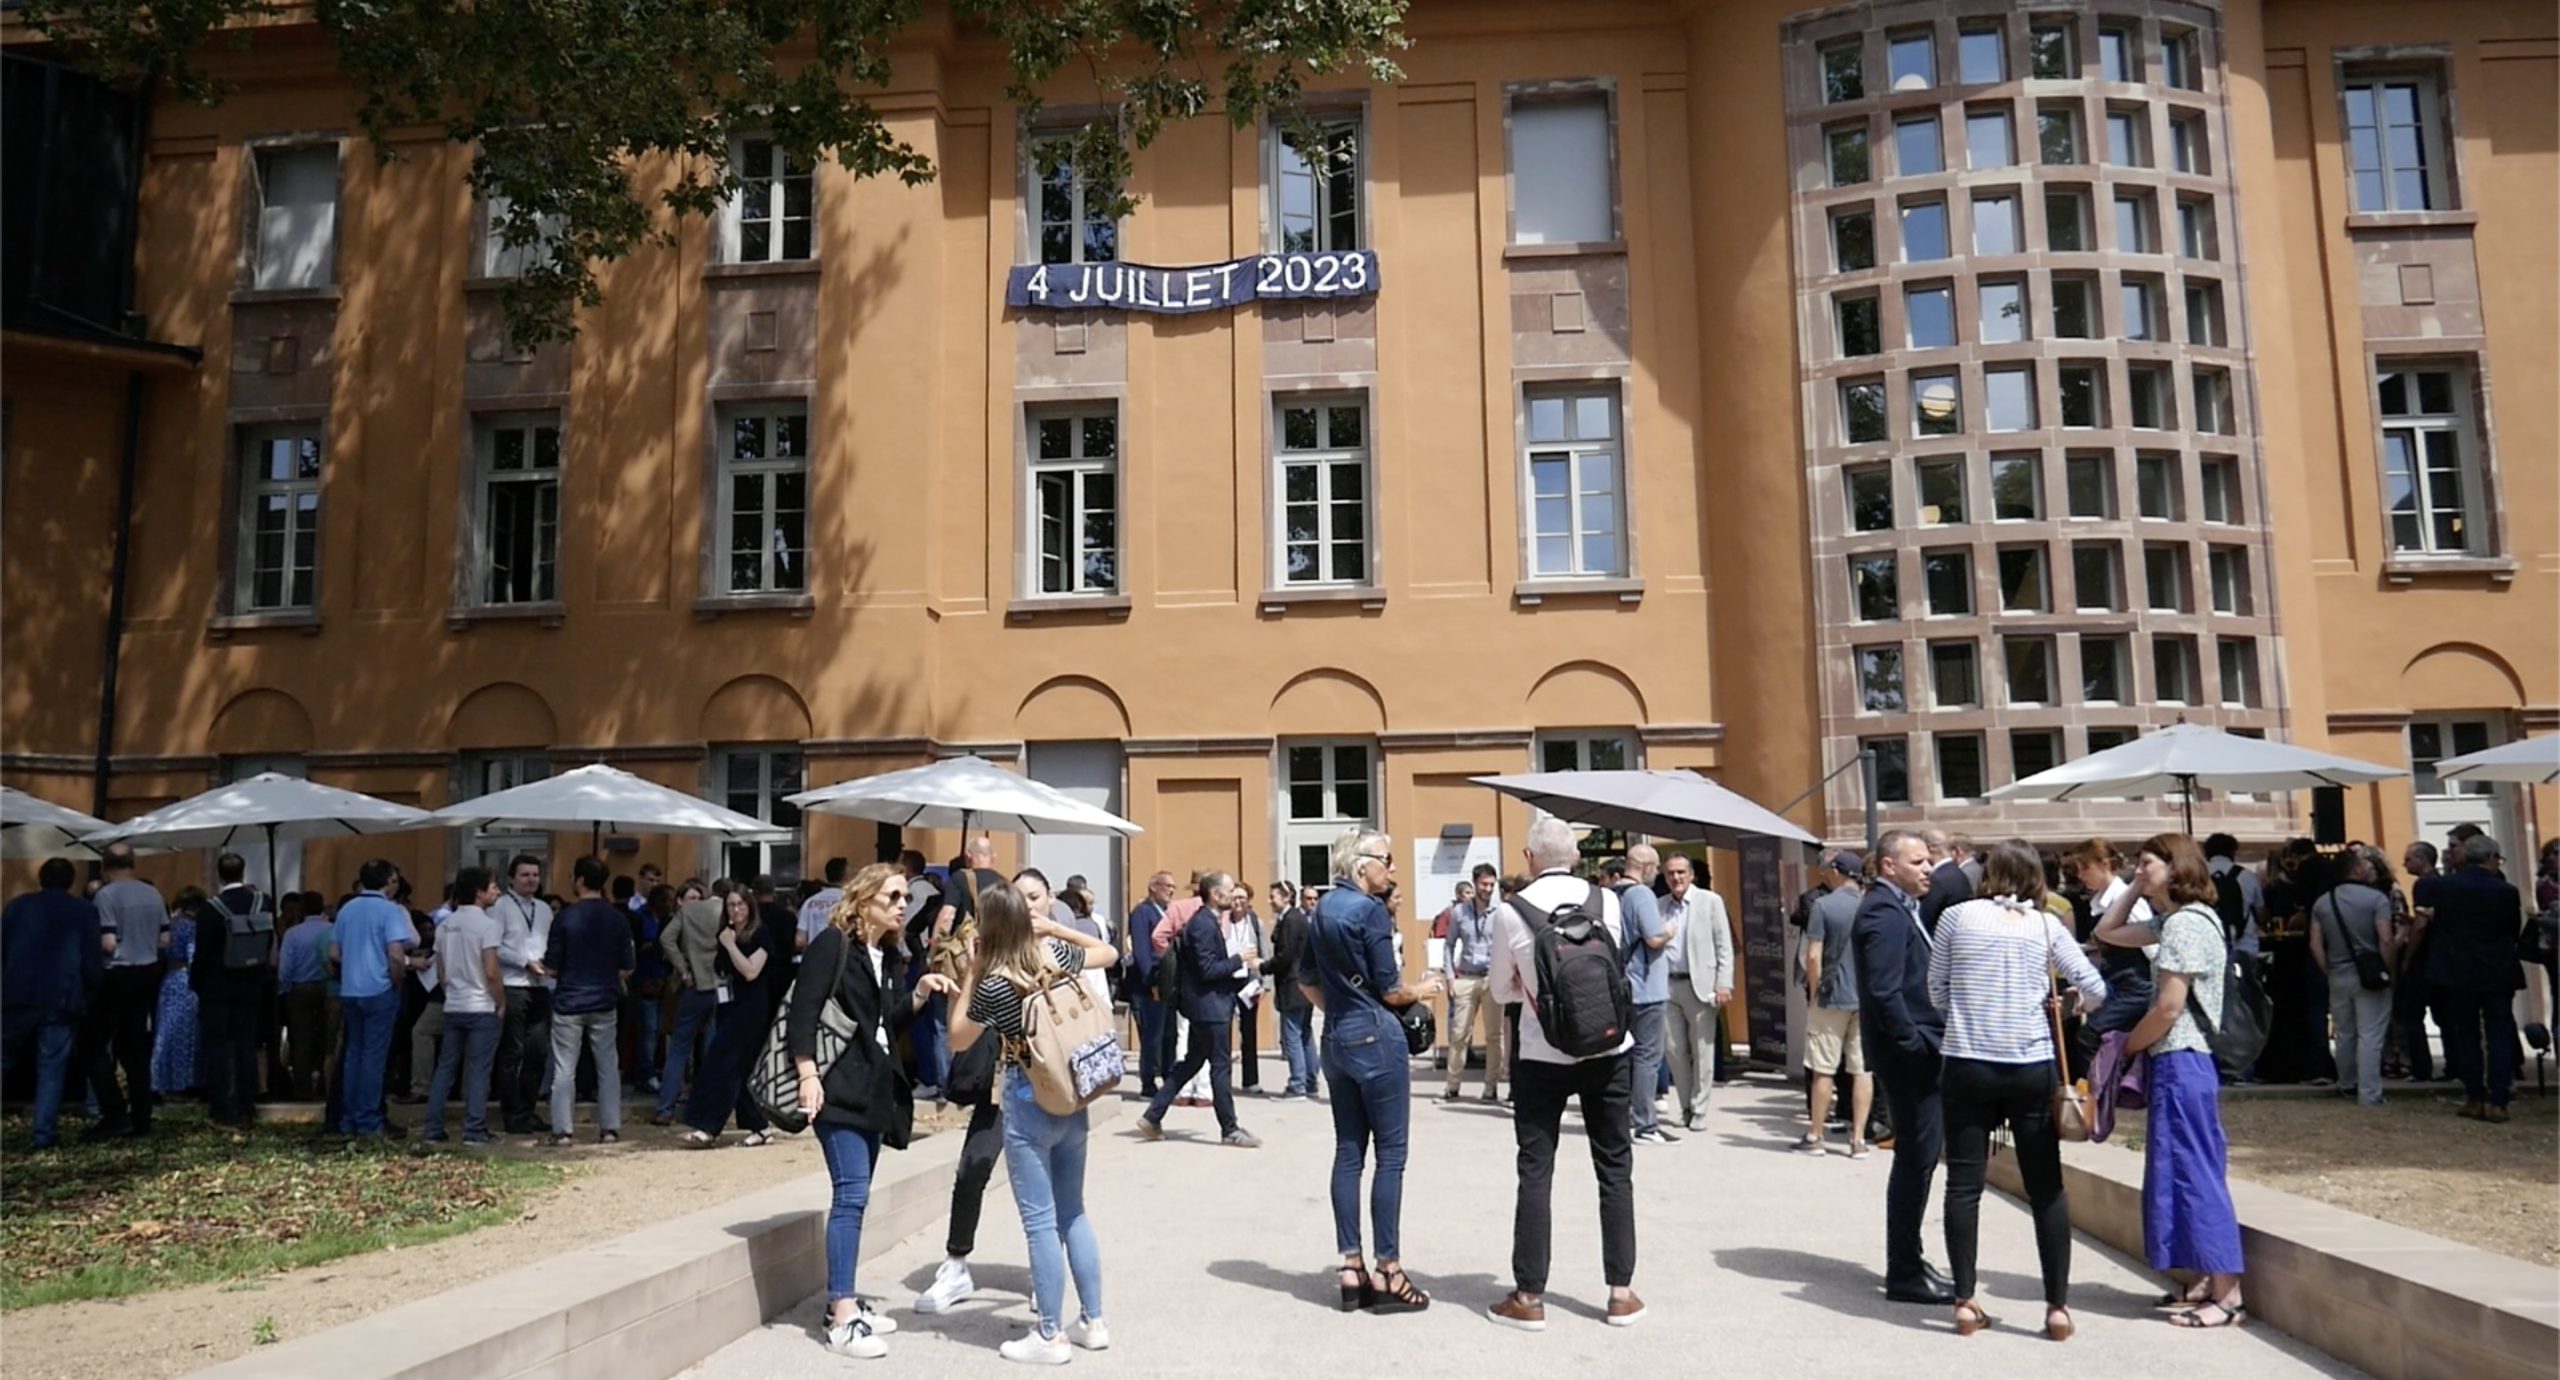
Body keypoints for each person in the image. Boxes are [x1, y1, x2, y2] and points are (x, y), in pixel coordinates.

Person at [1929, 840, 2110, 1341]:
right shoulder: (2045, 924)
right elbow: (2095, 988)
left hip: (1967, 1059)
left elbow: (1935, 991)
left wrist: (1969, 1009)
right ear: (2035, 877)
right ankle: (2057, 1308)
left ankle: (1964, 1299)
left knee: (1963, 1184)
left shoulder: (1956, 918)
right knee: (2046, 1187)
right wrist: (2067, 1006)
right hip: (2029, 1062)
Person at [948, 881, 1120, 1362]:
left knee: (1041, 1223)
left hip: (1028, 1099)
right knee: (1074, 1212)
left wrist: (971, 974)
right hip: (1074, 1092)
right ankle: (1093, 1319)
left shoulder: (997, 982)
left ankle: (1049, 1334)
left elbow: (958, 1039)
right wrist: (1056, 928)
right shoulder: (1053, 956)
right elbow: (1106, 952)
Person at [792, 863, 956, 1359]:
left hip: (872, 1087)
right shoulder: (832, 945)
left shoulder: (885, 954)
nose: (903, 904)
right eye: (892, 896)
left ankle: (844, 1301)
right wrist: (807, 1074)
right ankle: (841, 1313)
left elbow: (885, 1024)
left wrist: (921, 993)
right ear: (864, 901)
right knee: (850, 1195)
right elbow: (803, 1011)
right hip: (838, 1087)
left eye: (905, 896)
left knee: (856, 1199)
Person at [1484, 817, 1642, 1330]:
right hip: (1608, 1048)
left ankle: (1529, 1296)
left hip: (1542, 1052)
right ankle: (1621, 1292)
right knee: (1614, 1167)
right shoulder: (1608, 903)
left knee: (1536, 1168)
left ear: (1529, 859)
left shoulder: (1511, 912)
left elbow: (1500, 989)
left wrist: (1537, 998)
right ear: (1576, 857)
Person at [2104, 833, 2248, 1327]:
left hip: (2182, 1057)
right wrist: (2131, 887)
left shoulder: (2184, 925)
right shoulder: (2177, 921)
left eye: (2147, 863)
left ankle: (2227, 1295)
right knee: (2181, 1170)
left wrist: (2128, 1046)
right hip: (2183, 1061)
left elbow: (2168, 1006)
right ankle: (2208, 1278)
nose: (2139, 871)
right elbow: (2107, 931)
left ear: (2176, 866)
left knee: (2195, 1171)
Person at [1301, 828, 1444, 1313]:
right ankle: (1389, 1269)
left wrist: (1341, 1009)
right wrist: (1424, 989)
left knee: (1347, 1152)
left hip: (1336, 1037)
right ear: (1362, 865)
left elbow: (1305, 979)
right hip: (1374, 1038)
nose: (1393, 868)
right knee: (1391, 1155)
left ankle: (1349, 1264)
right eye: (1387, 859)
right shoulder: (1369, 911)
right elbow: (1390, 990)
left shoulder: (1321, 907)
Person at [1854, 829, 1953, 1304]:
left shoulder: (1901, 908)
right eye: (1917, 861)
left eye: (1928, 860)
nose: (1928, 867)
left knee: (1920, 1158)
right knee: (1916, 1160)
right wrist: (1915, 1044)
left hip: (1916, 1049)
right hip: (1909, 1056)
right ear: (1888, 866)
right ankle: (1905, 1272)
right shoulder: (1882, 911)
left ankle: (1909, 1259)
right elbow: (1883, 992)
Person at [1136, 872, 1260, 1148]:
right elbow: (1207, 970)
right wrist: (1239, 959)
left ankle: (1152, 1115)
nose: (1233, 895)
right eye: (1229, 890)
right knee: (1220, 1067)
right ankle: (1229, 1129)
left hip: (1207, 1004)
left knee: (1192, 1061)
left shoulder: (1206, 921)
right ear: (1215, 895)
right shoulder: (1203, 924)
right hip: (1210, 1006)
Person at [3, 858, 105, 1149]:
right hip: (62, 995)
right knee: (51, 1068)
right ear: (72, 881)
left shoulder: (17, 907)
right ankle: (43, 1135)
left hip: (16, 992)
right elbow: (91, 960)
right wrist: (89, 992)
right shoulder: (84, 911)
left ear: (41, 878)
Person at [2427, 834, 2528, 1123]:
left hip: (2458, 969)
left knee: (2465, 1034)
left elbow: (2442, 926)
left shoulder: (2446, 887)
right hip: (2496, 969)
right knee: (2498, 1033)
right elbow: (2512, 930)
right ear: (2491, 858)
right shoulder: (2505, 891)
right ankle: (2498, 1100)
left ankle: (2474, 1097)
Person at [540, 857, 635, 1145]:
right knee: (607, 1066)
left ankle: (563, 1130)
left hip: (569, 1000)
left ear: (579, 880)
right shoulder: (617, 918)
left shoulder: (565, 917)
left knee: (564, 1068)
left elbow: (553, 966)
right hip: (604, 1000)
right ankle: (609, 1128)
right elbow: (627, 966)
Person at [681, 888, 783, 1147]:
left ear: (750, 907)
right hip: (728, 1005)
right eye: (730, 905)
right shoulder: (725, 934)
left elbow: (751, 971)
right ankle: (759, 1127)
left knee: (722, 1063)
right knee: (739, 1068)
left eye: (740, 905)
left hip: (750, 1009)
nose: (736, 910)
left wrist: (729, 944)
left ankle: (708, 1125)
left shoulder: (760, 935)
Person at [84, 843, 168, 1139]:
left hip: (117, 973)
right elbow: (165, 939)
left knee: (92, 1045)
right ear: (133, 864)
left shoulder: (106, 896)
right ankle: (142, 1116)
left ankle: (114, 1112)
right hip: (147, 973)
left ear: (105, 867)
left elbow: (107, 942)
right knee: (135, 1049)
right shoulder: (153, 893)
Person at [2309, 844, 2399, 1108]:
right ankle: (2369, 1093)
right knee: (2370, 1034)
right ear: (2356, 868)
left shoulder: (2323, 902)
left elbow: (2315, 944)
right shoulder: (2376, 899)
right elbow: (2385, 939)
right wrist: (2390, 970)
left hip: (2338, 972)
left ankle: (2347, 1083)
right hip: (2370, 973)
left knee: (2345, 1032)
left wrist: (2328, 969)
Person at [331, 861, 413, 1138]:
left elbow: (333, 953)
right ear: (389, 880)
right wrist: (396, 981)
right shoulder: (389, 910)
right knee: (374, 1058)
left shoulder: (347, 909)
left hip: (350, 989)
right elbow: (395, 954)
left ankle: (348, 1118)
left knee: (353, 1055)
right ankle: (368, 1120)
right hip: (379, 989)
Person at [425, 868, 507, 1144]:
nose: (497, 891)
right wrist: (500, 1001)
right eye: (493, 886)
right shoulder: (487, 925)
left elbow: (441, 970)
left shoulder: (445, 924)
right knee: (478, 1070)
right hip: (482, 1005)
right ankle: (474, 1129)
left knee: (445, 1068)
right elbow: (492, 971)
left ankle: (433, 1128)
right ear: (479, 891)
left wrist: (451, 993)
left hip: (454, 1004)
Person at [189, 854, 273, 1125]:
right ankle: (247, 1105)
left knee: (217, 1048)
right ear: (243, 871)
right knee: (246, 1046)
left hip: (217, 986)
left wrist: (197, 983)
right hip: (252, 983)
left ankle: (221, 1107)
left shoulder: (211, 908)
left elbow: (202, 953)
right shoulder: (263, 902)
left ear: (219, 875)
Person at [1797, 850, 1870, 1158]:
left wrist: (1814, 990)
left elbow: (1813, 955)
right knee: (1862, 1069)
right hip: (1865, 997)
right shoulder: (1871, 905)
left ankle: (1816, 1135)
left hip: (1831, 995)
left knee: (1823, 1069)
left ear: (1838, 872)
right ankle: (1858, 1139)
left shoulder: (1824, 906)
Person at [1605, 847, 1677, 1145]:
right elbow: (1653, 938)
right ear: (1646, 866)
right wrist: (1669, 931)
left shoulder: (1610, 893)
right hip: (1646, 987)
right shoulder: (1642, 895)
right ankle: (1646, 1125)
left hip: (1620, 986)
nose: (1658, 873)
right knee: (1648, 1057)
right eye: (1657, 867)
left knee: (1623, 1056)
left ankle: (1621, 1117)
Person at [1660, 853, 1733, 1133]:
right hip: (1667, 985)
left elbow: (1723, 944)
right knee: (1674, 1049)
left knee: (1703, 1049)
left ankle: (1700, 1108)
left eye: (1680, 872)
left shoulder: (1710, 901)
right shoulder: (1660, 906)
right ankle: (1686, 1106)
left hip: (1700, 984)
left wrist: (1724, 983)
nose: (1676, 878)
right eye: (1670, 874)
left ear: (1691, 875)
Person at [653, 879, 726, 1124]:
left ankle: (665, 1108)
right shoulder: (728, 911)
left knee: (678, 1049)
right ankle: (709, 1107)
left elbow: (666, 938)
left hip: (693, 984)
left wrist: (682, 968)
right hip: (720, 985)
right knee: (713, 1047)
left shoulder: (689, 910)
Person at [492, 856, 555, 1135]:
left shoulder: (543, 908)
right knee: (512, 1051)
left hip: (541, 985)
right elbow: (494, 946)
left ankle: (528, 1110)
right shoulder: (500, 907)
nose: (531, 880)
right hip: (513, 983)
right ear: (511, 879)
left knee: (537, 1051)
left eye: (535, 875)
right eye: (525, 875)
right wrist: (523, 961)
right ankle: (511, 1112)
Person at [1437, 865, 1503, 1104]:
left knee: (1494, 1036)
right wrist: (1449, 977)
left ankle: (1491, 1087)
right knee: (1458, 1034)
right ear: (1475, 884)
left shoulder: (1500, 912)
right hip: (1465, 977)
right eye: (1484, 884)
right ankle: (1452, 1086)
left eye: (1491, 885)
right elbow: (1448, 944)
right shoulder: (1459, 913)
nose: (1488, 889)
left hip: (1491, 978)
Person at [275, 893, 332, 1099]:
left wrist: (283, 990)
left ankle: (303, 1089)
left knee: (301, 1040)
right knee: (327, 1039)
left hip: (299, 989)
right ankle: (326, 1084)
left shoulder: (293, 934)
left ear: (302, 909)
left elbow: (285, 968)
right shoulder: (331, 929)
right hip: (328, 986)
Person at [1226, 883, 1267, 1095]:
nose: (1238, 901)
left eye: (1242, 897)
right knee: (1224, 1030)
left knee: (1249, 1030)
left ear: (1249, 900)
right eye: (1235, 897)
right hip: (1226, 980)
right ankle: (1223, 1080)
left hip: (1248, 982)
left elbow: (1264, 951)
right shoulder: (1223, 922)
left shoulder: (1255, 922)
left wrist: (1263, 984)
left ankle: (1250, 1079)